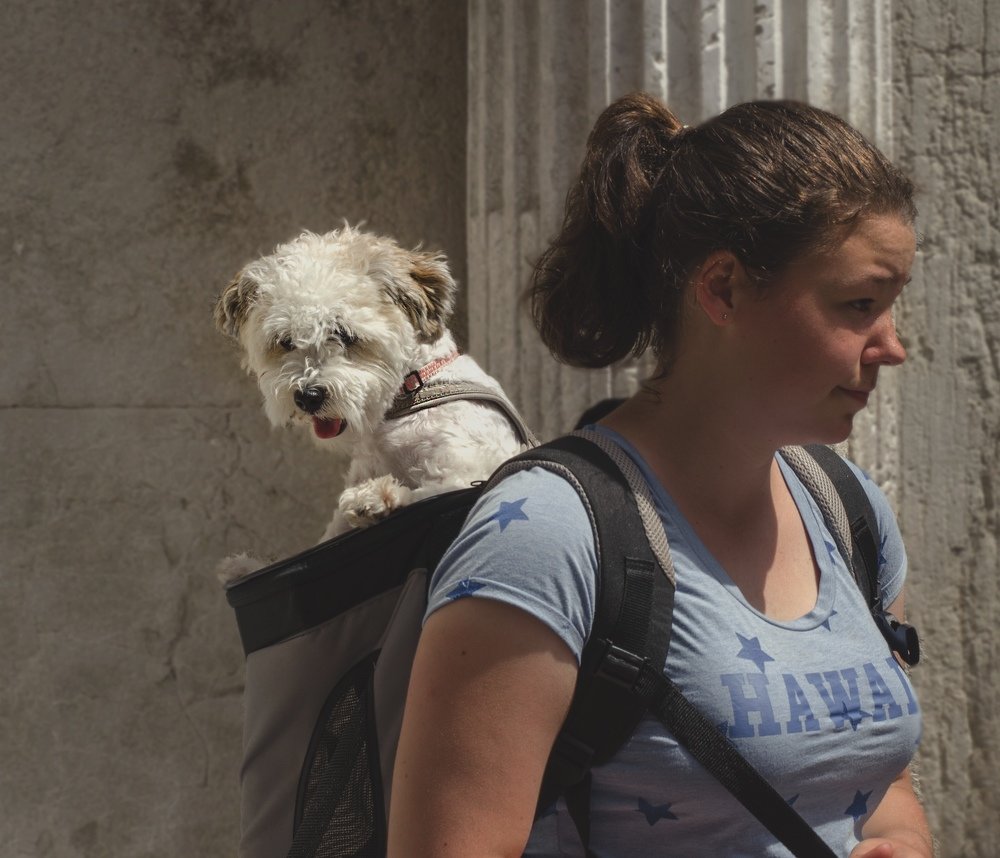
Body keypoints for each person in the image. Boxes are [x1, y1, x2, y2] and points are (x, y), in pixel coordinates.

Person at [387, 93, 933, 857]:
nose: (891, 345)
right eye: (858, 304)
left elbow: (880, 794)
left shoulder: (850, 513)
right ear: (723, 289)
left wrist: (899, 844)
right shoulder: (547, 538)